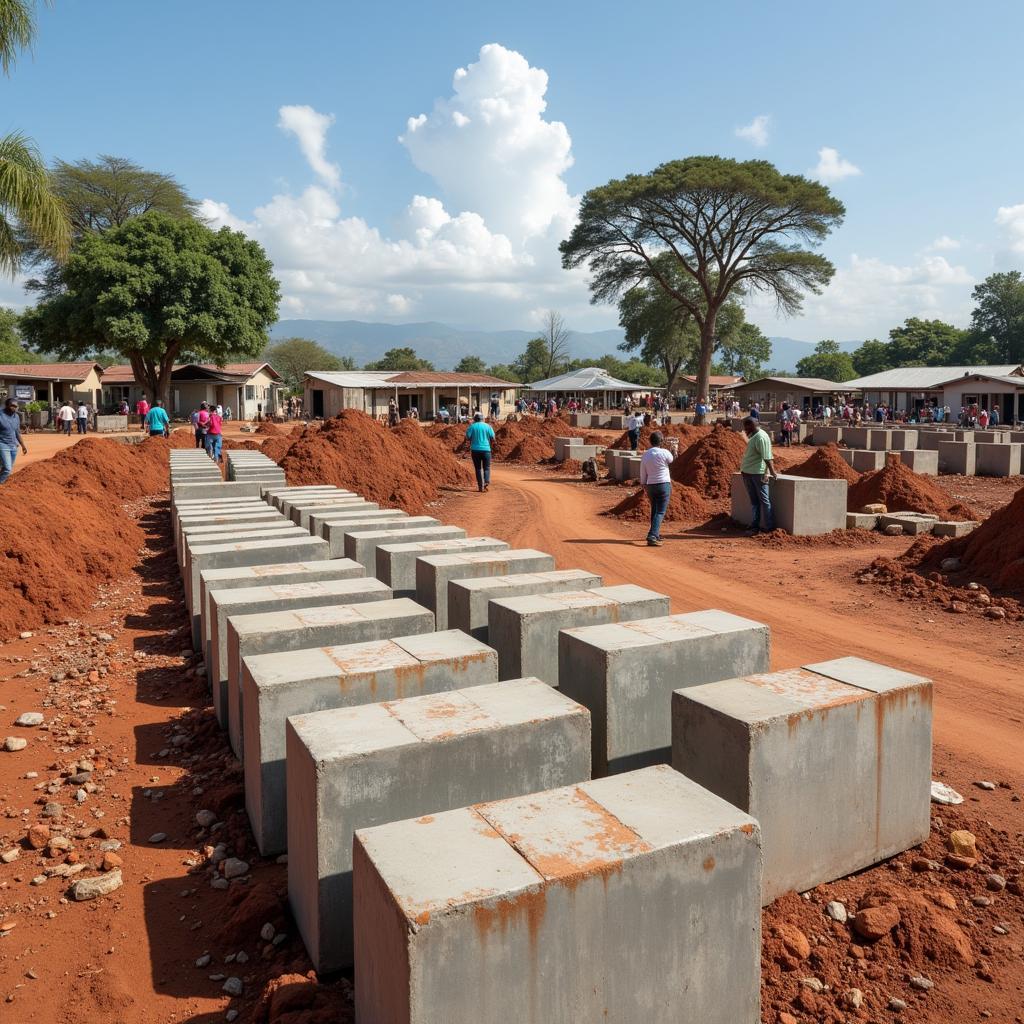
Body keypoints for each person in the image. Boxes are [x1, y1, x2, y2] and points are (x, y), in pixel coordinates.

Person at [740, 416, 777, 536]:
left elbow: (767, 457)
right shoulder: (754, 436)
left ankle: (769, 527)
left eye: (747, 426)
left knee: (764, 501)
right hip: (748, 473)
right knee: (754, 501)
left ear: (754, 425)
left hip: (757, 474)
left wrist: (771, 472)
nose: (745, 429)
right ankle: (755, 525)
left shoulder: (761, 437)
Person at [639, 430, 674, 547]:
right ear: (661, 441)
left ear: (650, 441)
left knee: (655, 510)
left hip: (650, 485)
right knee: (660, 511)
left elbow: (642, 472)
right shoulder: (665, 452)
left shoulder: (645, 455)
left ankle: (656, 533)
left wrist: (643, 483)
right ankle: (652, 535)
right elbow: (672, 460)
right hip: (663, 484)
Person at [465, 410, 496, 493]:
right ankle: (486, 481)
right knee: (487, 467)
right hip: (486, 450)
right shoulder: (488, 426)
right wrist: (491, 446)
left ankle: (480, 486)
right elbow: (493, 438)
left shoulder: (472, 426)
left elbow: (467, 437)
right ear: (482, 419)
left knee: (478, 468)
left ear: (475, 419)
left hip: (475, 450)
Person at [0, 398, 28, 484]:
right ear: (7, 405)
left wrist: (23, 445)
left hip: (13, 446)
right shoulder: (0, 415)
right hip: (2, 444)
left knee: (6, 467)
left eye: (16, 406)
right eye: (12, 406)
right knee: (8, 469)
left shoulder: (16, 417)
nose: (14, 408)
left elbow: (17, 432)